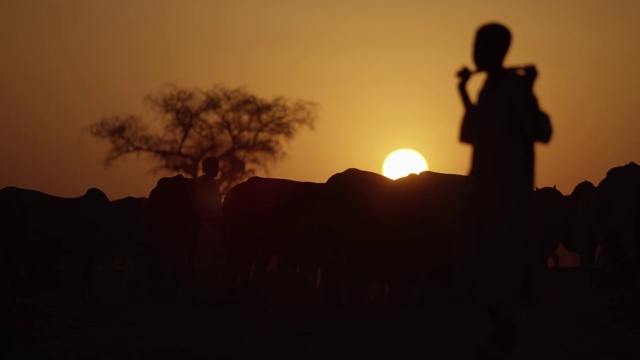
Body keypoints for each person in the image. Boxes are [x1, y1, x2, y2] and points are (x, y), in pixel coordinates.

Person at [456, 23, 552, 359]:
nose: (475, 52)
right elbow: (475, 134)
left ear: (496, 50)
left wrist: (529, 91)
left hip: (507, 194)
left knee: (503, 265)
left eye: (480, 45)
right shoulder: (489, 87)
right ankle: (501, 335)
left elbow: (542, 131)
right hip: (486, 190)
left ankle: (505, 337)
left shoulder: (512, 87)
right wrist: (464, 93)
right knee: (483, 263)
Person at [194, 156, 224, 297]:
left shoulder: (211, 183)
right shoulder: (203, 184)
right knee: (206, 258)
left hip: (213, 224)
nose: (218, 169)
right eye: (216, 166)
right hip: (205, 224)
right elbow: (203, 205)